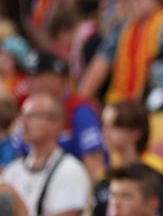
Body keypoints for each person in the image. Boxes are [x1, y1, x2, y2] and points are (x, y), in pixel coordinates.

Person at [4, 93, 91, 216]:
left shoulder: (71, 169)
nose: (23, 122)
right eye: (22, 116)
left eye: (32, 116)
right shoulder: (12, 170)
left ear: (56, 124)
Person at [21, 49, 105, 178]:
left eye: (36, 77)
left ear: (57, 79)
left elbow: (94, 166)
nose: (28, 82)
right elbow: (18, 161)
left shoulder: (79, 111)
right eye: (28, 76)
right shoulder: (27, 112)